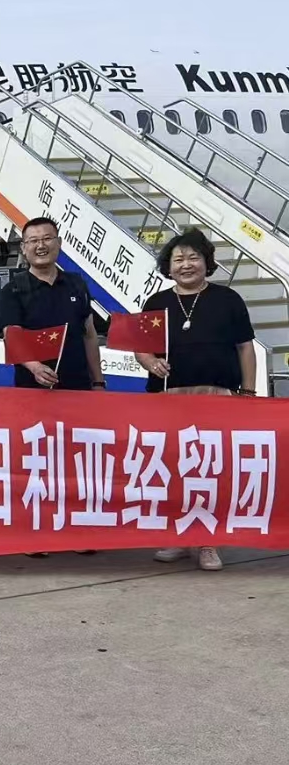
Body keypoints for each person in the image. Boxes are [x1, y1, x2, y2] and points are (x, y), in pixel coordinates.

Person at [136, 229, 256, 572]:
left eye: (193, 258)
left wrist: (248, 393)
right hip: (168, 398)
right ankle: (177, 534)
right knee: (173, 467)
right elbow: (141, 348)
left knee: (211, 469)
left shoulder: (228, 300)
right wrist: (150, 363)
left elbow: (245, 348)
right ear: (168, 266)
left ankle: (207, 542)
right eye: (178, 259)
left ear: (206, 262)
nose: (186, 265)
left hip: (216, 398)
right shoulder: (156, 303)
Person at [0, 216, 105, 559]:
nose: (40, 245)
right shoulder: (14, 289)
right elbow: (11, 335)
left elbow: (89, 334)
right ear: (24, 248)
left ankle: (77, 529)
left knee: (75, 460)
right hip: (32, 390)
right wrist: (33, 366)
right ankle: (37, 531)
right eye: (33, 241)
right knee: (37, 461)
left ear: (58, 243)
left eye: (47, 238)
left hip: (76, 388)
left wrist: (97, 381)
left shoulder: (76, 284)